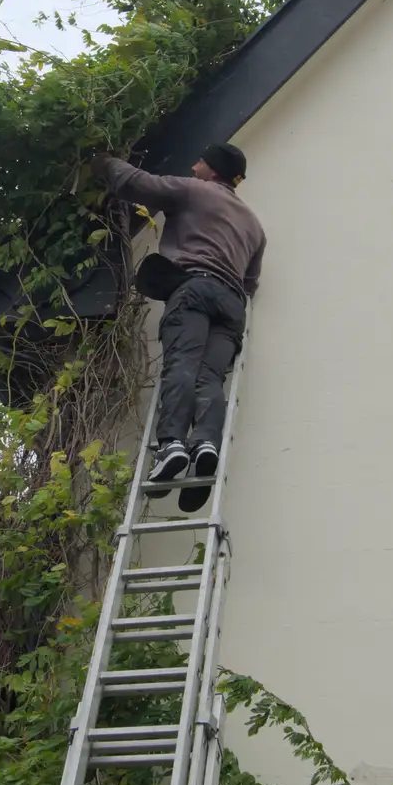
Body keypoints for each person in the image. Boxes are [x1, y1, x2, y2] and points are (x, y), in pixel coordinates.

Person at [94, 142, 265, 511]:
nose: (193, 164)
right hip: (232, 305)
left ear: (214, 170)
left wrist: (102, 161)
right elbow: (251, 282)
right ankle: (204, 442)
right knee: (208, 378)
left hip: (194, 290)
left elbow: (139, 184)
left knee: (182, 365)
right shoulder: (254, 226)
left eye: (200, 161)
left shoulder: (193, 192)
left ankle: (171, 445)